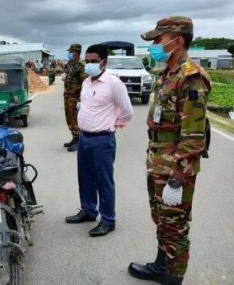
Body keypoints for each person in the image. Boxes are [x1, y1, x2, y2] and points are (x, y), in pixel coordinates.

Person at [128, 17, 211, 285]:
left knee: (175, 227)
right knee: (162, 220)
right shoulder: (167, 74)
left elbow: (194, 137)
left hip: (175, 167)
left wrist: (177, 178)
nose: (154, 45)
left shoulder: (190, 78)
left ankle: (173, 280)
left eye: (158, 40)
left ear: (177, 41)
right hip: (158, 160)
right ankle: (161, 266)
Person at [65, 44, 133, 237]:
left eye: (93, 61)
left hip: (102, 140)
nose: (89, 65)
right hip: (84, 138)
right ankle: (88, 211)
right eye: (87, 61)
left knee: (103, 181)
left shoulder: (114, 84)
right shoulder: (86, 82)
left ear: (104, 62)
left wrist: (113, 124)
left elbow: (127, 111)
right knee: (85, 178)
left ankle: (108, 220)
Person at [63, 43, 86, 152]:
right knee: (69, 118)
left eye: (71, 52)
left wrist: (81, 100)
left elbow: (84, 83)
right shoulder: (69, 64)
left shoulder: (81, 66)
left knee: (75, 119)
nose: (69, 54)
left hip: (75, 97)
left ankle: (79, 141)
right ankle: (74, 137)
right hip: (67, 96)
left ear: (77, 53)